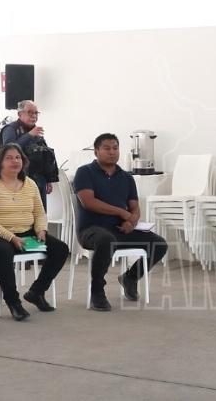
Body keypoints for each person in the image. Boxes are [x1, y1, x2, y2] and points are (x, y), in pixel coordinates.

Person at [0, 143, 69, 321]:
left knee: (60, 249)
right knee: (3, 252)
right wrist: (11, 237)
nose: (15, 161)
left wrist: (41, 230)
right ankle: (13, 302)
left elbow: (39, 212)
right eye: (9, 158)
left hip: (26, 233)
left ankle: (36, 292)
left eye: (18, 157)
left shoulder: (30, 184)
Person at [74, 133, 168, 312]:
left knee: (159, 244)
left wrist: (131, 221)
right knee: (106, 240)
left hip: (119, 230)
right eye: (107, 148)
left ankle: (130, 278)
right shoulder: (85, 172)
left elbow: (135, 207)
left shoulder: (126, 177)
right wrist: (121, 212)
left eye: (115, 148)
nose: (112, 152)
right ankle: (97, 291)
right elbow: (88, 202)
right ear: (96, 151)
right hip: (92, 230)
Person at [0, 100, 57, 211]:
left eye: (36, 113)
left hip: (39, 179)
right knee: (23, 212)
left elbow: (45, 154)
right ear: (19, 114)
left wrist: (48, 179)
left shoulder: (36, 131)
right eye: (30, 112)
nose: (34, 116)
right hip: (18, 178)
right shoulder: (11, 129)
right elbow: (8, 150)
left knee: (40, 212)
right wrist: (29, 135)